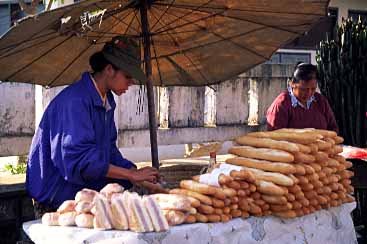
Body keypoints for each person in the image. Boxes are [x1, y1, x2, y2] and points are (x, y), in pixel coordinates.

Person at [26, 36, 159, 216]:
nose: (131, 83)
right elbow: (79, 160)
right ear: (109, 69)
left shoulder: (107, 101)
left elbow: (109, 152)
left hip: (84, 194)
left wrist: (135, 173)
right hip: (57, 198)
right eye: (128, 76)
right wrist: (130, 176)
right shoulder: (74, 102)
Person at [266, 63, 338, 132]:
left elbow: (333, 128)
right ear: (292, 84)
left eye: (313, 89)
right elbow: (275, 137)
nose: (309, 93)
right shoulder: (281, 105)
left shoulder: (321, 101)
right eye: (304, 89)